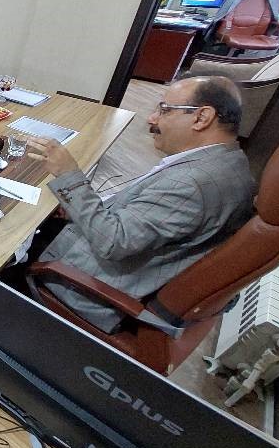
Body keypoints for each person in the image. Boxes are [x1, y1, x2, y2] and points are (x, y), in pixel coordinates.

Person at [24, 76, 256, 334]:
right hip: (115, 260)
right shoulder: (229, 162)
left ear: (202, 118)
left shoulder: (194, 184)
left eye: (164, 110)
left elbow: (113, 241)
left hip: (81, 284)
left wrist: (69, 175)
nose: (152, 118)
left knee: (8, 240)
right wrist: (79, 205)